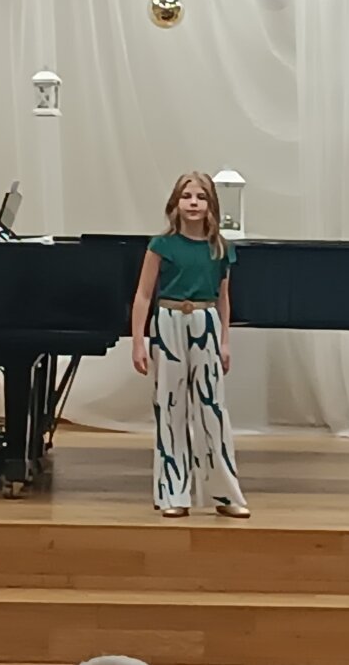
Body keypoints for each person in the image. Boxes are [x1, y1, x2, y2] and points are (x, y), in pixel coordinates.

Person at [130, 171, 249, 519]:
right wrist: (138, 342)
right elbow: (143, 295)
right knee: (171, 407)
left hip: (205, 321)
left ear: (211, 205)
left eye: (200, 197)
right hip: (168, 323)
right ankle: (173, 493)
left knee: (212, 408)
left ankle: (225, 494)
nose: (193, 203)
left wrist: (225, 340)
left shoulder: (220, 248)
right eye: (186, 196)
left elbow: (224, 298)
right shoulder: (161, 246)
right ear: (175, 203)